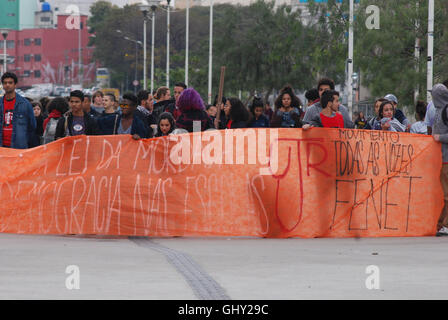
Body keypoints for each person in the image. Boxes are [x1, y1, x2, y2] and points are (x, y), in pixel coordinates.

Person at [0, 72, 36, 149]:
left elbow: (32, 126)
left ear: (15, 85)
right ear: (2, 85)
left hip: (18, 148)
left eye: (10, 83)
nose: (7, 85)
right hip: (2, 148)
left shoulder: (25, 104)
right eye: (5, 83)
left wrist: (24, 141)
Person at [430, 83, 448, 236]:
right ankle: (441, 224)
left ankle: (445, 224)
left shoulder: (446, 111)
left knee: (447, 193)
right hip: (440, 159)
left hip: (446, 159)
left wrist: (440, 137)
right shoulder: (438, 111)